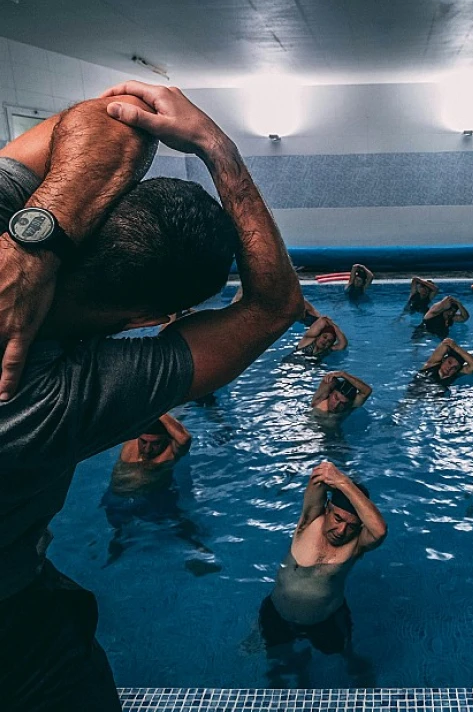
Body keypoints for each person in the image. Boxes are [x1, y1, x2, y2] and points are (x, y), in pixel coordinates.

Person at [0, 81, 303, 711]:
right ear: (147, 319)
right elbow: (275, 307)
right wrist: (218, 150)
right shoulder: (51, 403)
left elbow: (104, 119)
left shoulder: (14, 230)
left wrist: (33, 244)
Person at [243, 461, 386, 687]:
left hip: (327, 620)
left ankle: (352, 661)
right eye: (338, 519)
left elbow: (379, 530)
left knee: (343, 653)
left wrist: (344, 482)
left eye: (351, 525)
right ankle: (292, 670)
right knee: (276, 661)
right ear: (328, 508)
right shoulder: (309, 521)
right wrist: (336, 477)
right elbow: (320, 473)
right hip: (278, 613)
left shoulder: (357, 544)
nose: (341, 531)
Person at [101, 415, 219, 574]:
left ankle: (197, 550)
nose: (148, 449)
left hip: (151, 499)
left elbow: (184, 438)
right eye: (144, 442)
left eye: (155, 443)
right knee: (119, 529)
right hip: (115, 499)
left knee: (178, 524)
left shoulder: (170, 453)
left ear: (167, 440)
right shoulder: (131, 440)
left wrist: (158, 411)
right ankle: (119, 545)